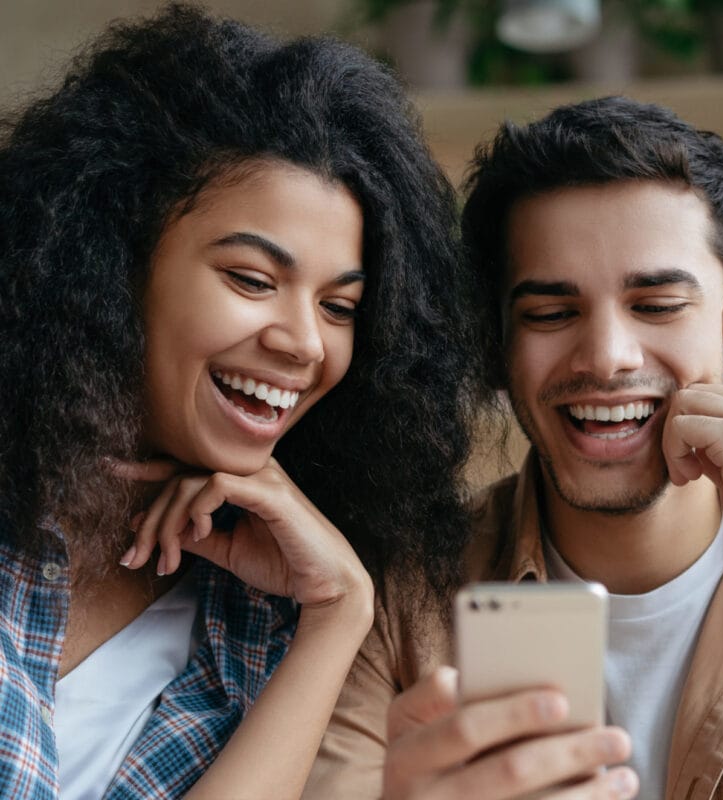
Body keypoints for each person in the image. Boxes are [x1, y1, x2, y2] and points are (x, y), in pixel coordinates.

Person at [0, 4, 483, 798]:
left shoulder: (264, 619)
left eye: (340, 308)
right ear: (111, 263)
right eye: (252, 280)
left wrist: (339, 611)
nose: (304, 342)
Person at [306, 96, 723, 799]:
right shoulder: (401, 599)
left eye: (657, 305)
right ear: (498, 346)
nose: (605, 357)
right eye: (549, 313)